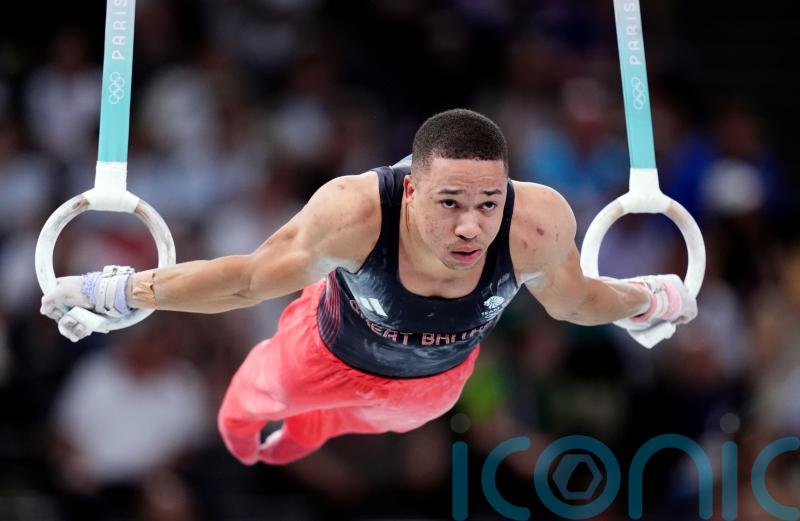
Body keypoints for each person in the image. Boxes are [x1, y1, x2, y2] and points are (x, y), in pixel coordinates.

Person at [40, 109, 697, 465]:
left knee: (381, 418)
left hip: (434, 386)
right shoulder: (355, 213)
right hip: (317, 357)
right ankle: (272, 422)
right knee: (246, 415)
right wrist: (122, 290)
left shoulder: (536, 224)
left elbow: (576, 300)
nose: (471, 226)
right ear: (410, 190)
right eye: (449, 202)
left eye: (489, 203)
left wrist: (651, 299)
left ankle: (317, 425)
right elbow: (245, 280)